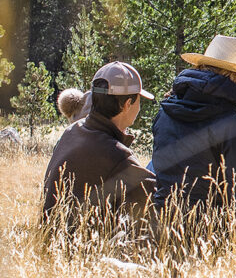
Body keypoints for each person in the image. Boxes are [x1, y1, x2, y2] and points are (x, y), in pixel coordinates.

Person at [151, 35, 236, 219]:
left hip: (161, 223)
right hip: (207, 232)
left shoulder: (165, 111)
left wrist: (230, 112)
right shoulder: (235, 128)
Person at [42, 62, 156, 223]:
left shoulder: (71, 131)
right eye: (139, 101)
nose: (139, 107)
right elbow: (158, 204)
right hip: (84, 247)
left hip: (50, 241)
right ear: (127, 104)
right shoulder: (118, 157)